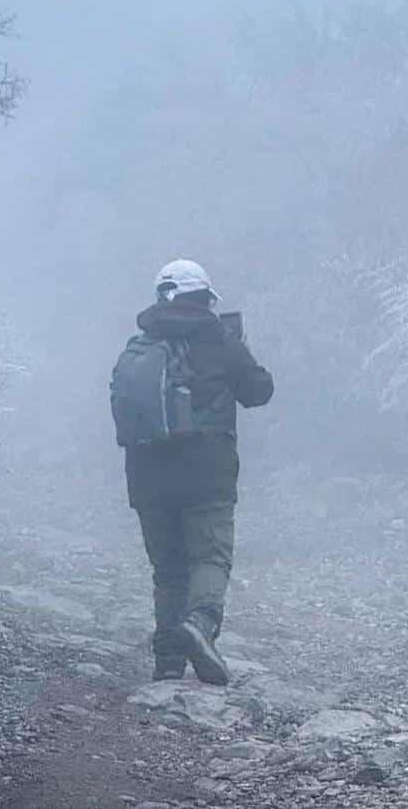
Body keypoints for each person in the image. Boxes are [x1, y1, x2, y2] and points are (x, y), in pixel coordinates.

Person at [110, 260, 274, 684]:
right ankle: (200, 625)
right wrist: (242, 347)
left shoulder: (142, 344)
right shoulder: (219, 340)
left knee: (168, 570)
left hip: (147, 479)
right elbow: (259, 391)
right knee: (210, 556)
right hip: (206, 476)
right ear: (204, 297)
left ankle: (168, 663)